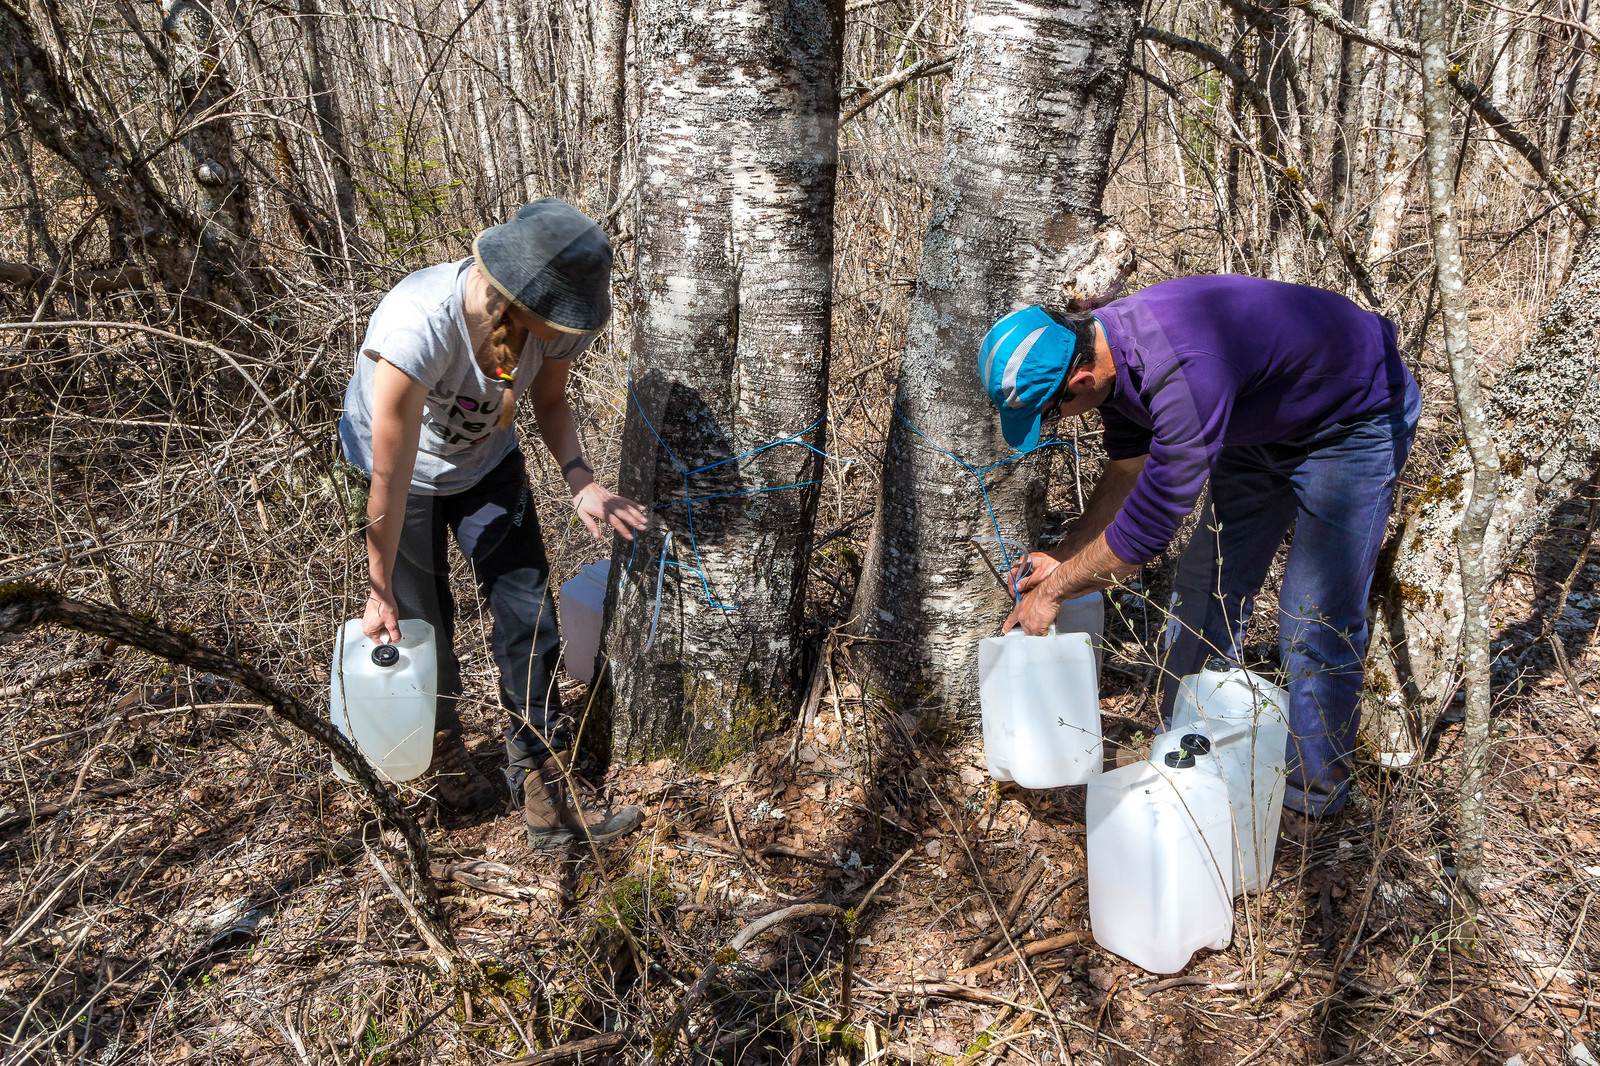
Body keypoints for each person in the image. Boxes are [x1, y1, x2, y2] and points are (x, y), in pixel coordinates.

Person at [979, 276, 1420, 819]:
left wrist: (1054, 593)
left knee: (1313, 615)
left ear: (1082, 380)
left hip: (1354, 420)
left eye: (1050, 411)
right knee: (1205, 586)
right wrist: (1066, 555)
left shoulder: (1182, 375)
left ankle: (1312, 799)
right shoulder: (1104, 355)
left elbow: (1142, 535)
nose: (1057, 422)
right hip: (1257, 421)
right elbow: (1127, 470)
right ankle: (1183, 751)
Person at [338, 197, 647, 848]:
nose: (559, 333)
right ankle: (446, 764)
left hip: (487, 465)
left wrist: (582, 482)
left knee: (528, 614)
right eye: (551, 318)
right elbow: (389, 478)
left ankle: (542, 783)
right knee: (421, 628)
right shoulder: (418, 326)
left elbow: (551, 400)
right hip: (403, 479)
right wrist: (378, 586)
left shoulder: (556, 325)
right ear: (516, 300)